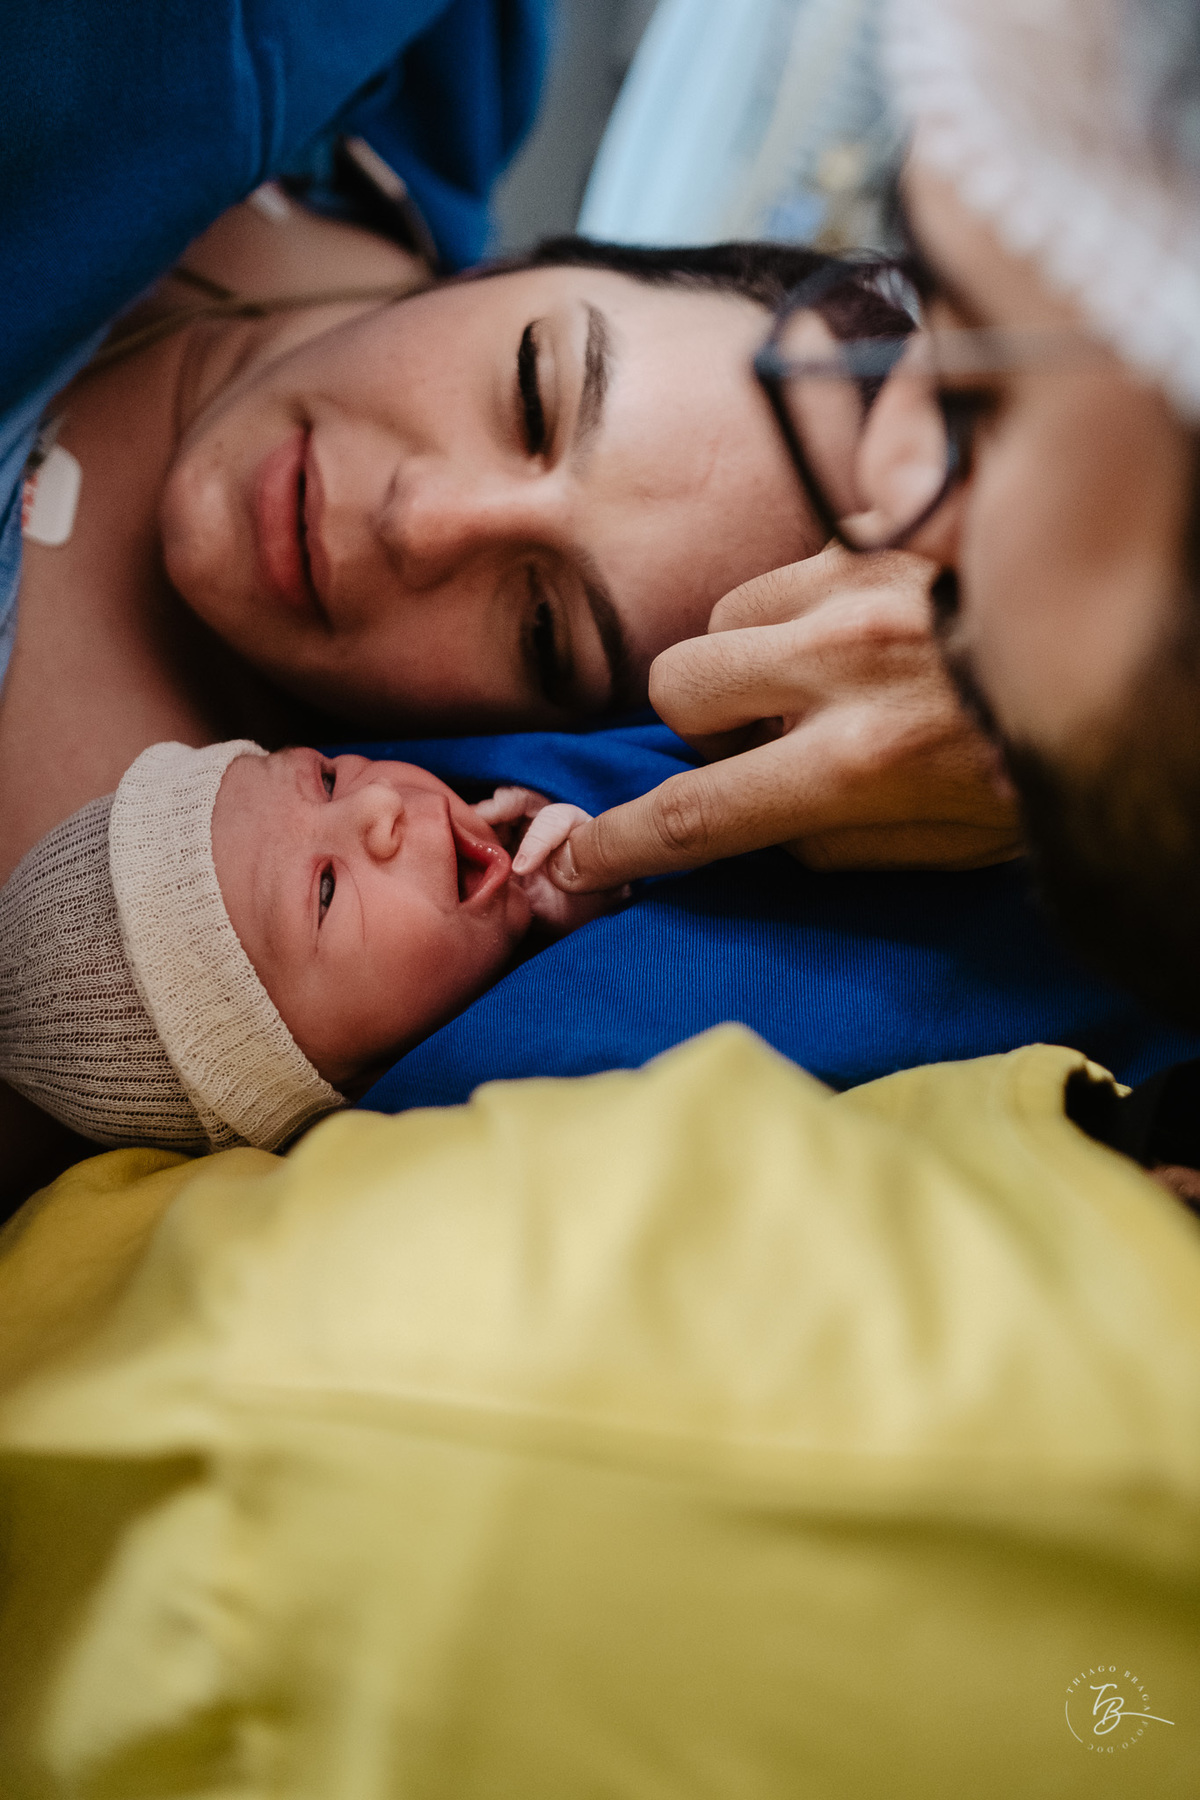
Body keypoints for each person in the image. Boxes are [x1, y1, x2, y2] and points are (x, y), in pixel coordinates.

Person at [3, 2, 1200, 1792]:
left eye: (543, 631)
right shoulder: (342, 65)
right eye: (538, 387)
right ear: (560, 261)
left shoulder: (190, 951)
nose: (424, 521)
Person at [0, 740, 615, 1152]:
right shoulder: (453, 1127)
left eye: (326, 779)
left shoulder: (512, 768)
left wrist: (591, 879)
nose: (377, 801)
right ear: (328, 1083)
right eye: (325, 892)